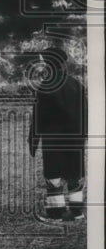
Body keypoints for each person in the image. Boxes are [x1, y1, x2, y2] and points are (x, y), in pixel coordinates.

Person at [31, 50, 87, 221]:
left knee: (54, 176)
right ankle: (77, 212)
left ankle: (56, 213)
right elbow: (85, 112)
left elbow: (39, 117)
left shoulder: (45, 86)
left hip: (53, 138)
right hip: (75, 137)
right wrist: (84, 135)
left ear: (49, 64)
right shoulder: (77, 84)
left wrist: (33, 140)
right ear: (63, 63)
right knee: (74, 174)